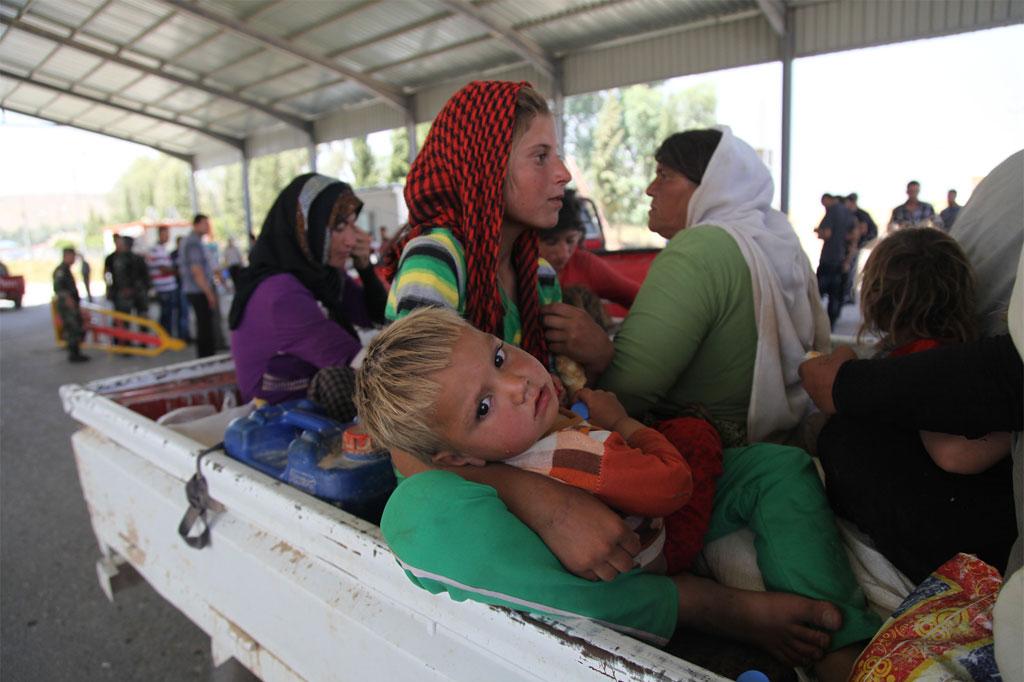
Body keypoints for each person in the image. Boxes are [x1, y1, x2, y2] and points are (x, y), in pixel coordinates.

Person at [358, 307, 881, 681]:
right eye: (483, 407)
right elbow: (672, 485)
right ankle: (838, 644)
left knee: (773, 465)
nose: (518, 383)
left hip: (640, 522)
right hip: (662, 523)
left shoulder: (510, 439)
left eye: (498, 357)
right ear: (456, 459)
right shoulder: (569, 458)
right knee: (775, 469)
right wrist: (624, 422)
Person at [547, 127, 829, 446]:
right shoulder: (776, 241)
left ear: (709, 188)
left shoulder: (699, 249)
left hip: (704, 451)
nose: (650, 189)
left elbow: (628, 390)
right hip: (776, 441)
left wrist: (601, 353)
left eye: (664, 175)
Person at [803, 228, 1017, 584]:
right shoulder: (963, 356)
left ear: (877, 299)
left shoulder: (926, 359)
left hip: (956, 542)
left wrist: (1010, 424)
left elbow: (953, 454)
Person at [228, 174, 386, 417]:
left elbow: (374, 316)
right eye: (339, 227)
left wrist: (365, 268)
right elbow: (358, 361)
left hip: (311, 411)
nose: (352, 239)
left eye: (353, 225)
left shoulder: (322, 277)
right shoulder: (280, 295)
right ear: (305, 230)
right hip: (279, 422)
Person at [538, 189, 640, 311]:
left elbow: (642, 300)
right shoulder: (517, 266)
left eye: (570, 241)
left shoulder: (583, 264)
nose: (563, 254)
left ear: (580, 237)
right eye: (551, 242)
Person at [815, 193, 855, 327]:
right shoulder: (849, 214)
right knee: (835, 295)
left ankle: (818, 324)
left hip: (829, 258)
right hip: (842, 259)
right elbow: (854, 237)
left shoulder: (832, 211)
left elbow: (826, 233)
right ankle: (831, 322)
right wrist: (848, 260)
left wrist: (818, 231)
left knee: (817, 293)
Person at [180, 214, 217, 358]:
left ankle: (206, 354)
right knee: (204, 324)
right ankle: (206, 356)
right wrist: (209, 293)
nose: (208, 227)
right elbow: (197, 271)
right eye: (205, 223)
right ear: (196, 224)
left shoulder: (195, 241)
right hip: (198, 290)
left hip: (197, 289)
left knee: (204, 324)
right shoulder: (193, 243)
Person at [53, 247, 89, 362]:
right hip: (67, 306)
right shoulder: (61, 270)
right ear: (66, 256)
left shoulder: (66, 269)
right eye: (73, 256)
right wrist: (69, 301)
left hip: (71, 305)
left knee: (75, 327)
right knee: (73, 328)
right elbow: (59, 289)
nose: (74, 259)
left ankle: (75, 351)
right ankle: (74, 354)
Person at [146, 226, 182, 338]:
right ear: (160, 234)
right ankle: (164, 338)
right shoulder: (156, 250)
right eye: (166, 234)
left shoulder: (163, 249)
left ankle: (167, 337)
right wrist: (178, 271)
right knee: (166, 315)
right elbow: (163, 269)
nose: (167, 236)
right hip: (163, 288)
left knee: (169, 314)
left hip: (169, 286)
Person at [169, 236, 192, 342]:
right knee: (179, 311)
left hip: (185, 285)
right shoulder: (174, 255)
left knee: (185, 311)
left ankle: (185, 334)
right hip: (176, 286)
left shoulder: (187, 254)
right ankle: (181, 335)